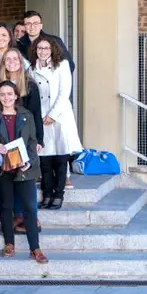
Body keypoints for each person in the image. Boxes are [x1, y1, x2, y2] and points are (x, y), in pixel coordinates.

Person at [0, 81, 49, 264]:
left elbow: (32, 141)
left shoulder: (26, 115)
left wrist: (30, 161)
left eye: (9, 94)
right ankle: (9, 243)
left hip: (24, 167)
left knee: (29, 207)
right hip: (4, 167)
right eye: (2, 94)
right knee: (6, 206)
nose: (6, 97)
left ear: (16, 96)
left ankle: (35, 248)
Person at [30, 37, 83, 210]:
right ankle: (46, 195)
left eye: (46, 48)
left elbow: (64, 91)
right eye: (39, 48)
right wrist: (41, 117)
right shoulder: (32, 69)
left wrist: (52, 115)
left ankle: (58, 195)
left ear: (52, 49)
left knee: (61, 159)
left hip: (60, 117)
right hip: (41, 117)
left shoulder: (62, 65)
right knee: (45, 160)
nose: (42, 51)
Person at [0, 47, 44, 232]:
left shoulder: (30, 84)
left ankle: (30, 216)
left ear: (20, 61)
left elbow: (36, 114)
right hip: (7, 137)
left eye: (15, 59)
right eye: (7, 59)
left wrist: (39, 140)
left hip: (25, 138)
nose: (11, 62)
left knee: (25, 175)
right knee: (11, 174)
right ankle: (17, 216)